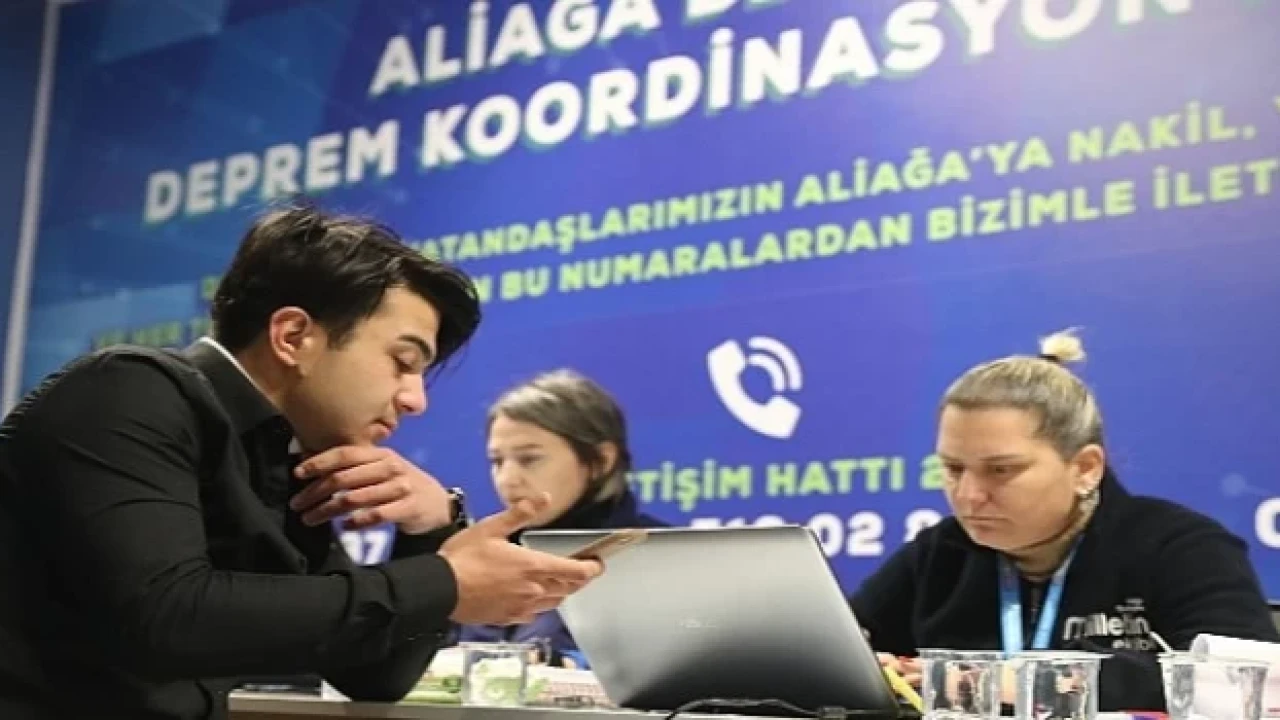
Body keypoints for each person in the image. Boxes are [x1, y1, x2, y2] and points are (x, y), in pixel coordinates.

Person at [0, 204, 602, 719]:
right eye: (403, 361)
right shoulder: (128, 391)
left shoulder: (289, 455)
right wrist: (444, 581)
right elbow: (168, 616)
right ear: (292, 336)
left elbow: (372, 676)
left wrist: (430, 530)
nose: (415, 400)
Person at [851, 329, 1278, 712]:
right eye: (953, 469)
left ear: (1086, 468)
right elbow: (845, 649)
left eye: (1001, 470)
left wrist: (1029, 681)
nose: (968, 495)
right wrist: (868, 670)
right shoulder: (939, 552)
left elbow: (1250, 681)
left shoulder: (1181, 546)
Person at [455, 370, 664, 668]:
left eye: (529, 459)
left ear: (601, 460)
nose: (507, 479)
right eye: (497, 461)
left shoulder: (659, 558)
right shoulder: (485, 556)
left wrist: (561, 664)